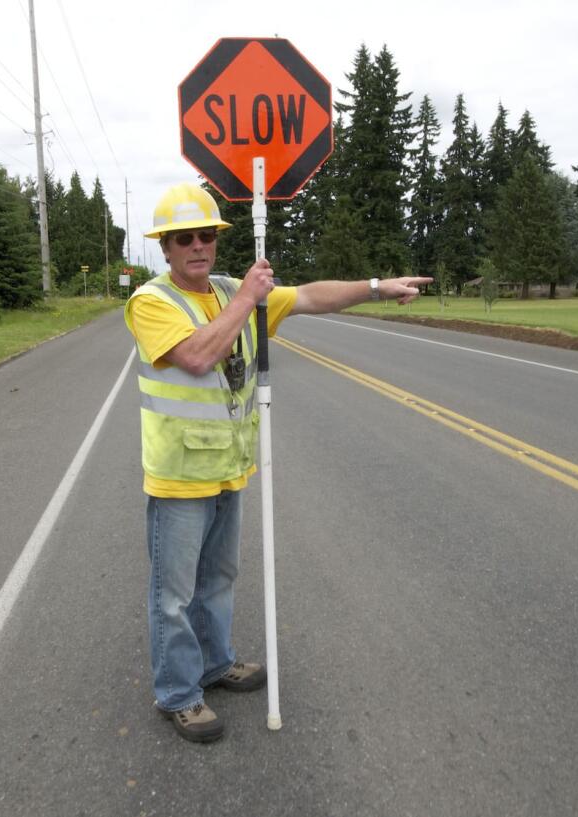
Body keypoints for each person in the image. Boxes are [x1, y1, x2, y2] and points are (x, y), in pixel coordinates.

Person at [124, 183, 431, 743]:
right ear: (164, 249)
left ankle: (215, 665)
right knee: (174, 595)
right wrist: (246, 300)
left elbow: (312, 296)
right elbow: (196, 356)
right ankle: (178, 693)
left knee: (218, 578)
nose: (198, 246)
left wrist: (375, 288)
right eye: (183, 238)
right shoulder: (152, 302)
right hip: (179, 477)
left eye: (207, 236)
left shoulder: (223, 289)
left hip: (227, 468)